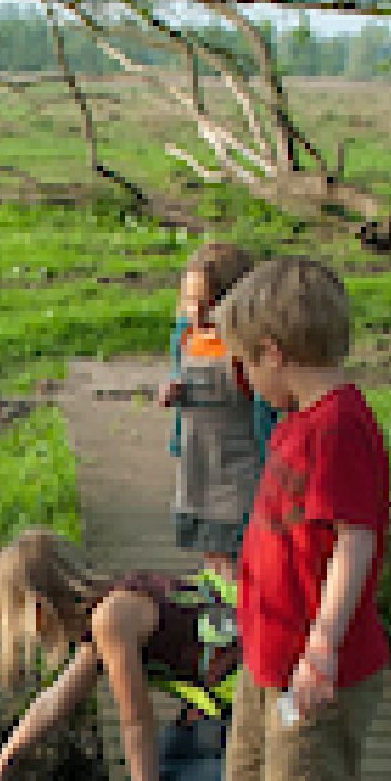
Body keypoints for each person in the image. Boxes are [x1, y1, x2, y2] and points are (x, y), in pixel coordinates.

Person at [183, 257, 391, 781]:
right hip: (270, 660)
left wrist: (323, 649)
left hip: (313, 671)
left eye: (243, 361)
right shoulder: (302, 421)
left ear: (273, 351)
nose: (241, 376)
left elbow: (354, 543)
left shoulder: (338, 429)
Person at [0, 529, 236, 781]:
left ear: (38, 611)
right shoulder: (116, 602)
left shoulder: (111, 622)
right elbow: (52, 702)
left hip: (257, 702)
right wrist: (2, 765)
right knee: (165, 755)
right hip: (255, 693)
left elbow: (136, 722)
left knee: (165, 779)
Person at [156, 241, 268, 580]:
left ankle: (237, 610)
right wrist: (171, 391)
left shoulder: (247, 346)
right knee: (207, 541)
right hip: (197, 457)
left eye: (211, 304)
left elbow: (264, 400)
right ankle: (216, 602)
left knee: (236, 545)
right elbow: (180, 374)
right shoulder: (187, 336)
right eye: (192, 302)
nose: (199, 313)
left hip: (238, 461)